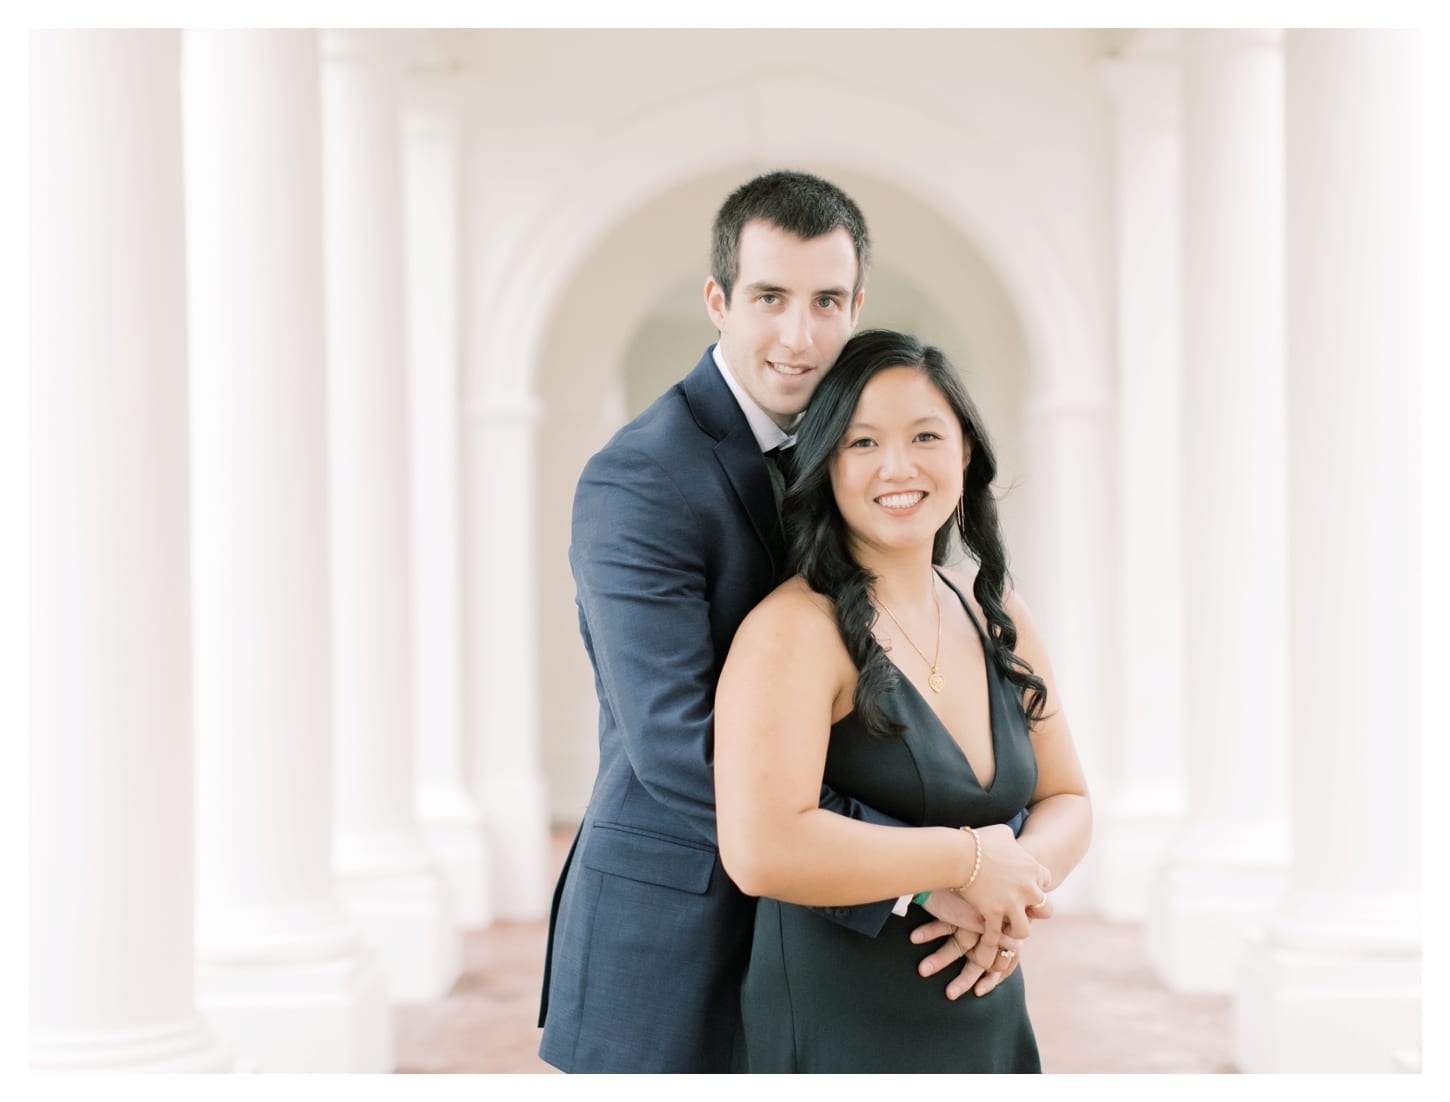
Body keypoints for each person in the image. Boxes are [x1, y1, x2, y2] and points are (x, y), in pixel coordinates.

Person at [538, 173, 1004, 1073]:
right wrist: (920, 868)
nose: (800, 336)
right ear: (719, 301)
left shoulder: (855, 452)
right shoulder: (639, 480)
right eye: (770, 299)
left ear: (858, 303)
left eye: (827, 301)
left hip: (827, 946)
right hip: (679, 931)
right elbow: (677, 743)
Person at [714, 329, 1092, 1073]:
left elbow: (1069, 796)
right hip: (839, 1026)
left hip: (984, 1014)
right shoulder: (793, 629)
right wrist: (968, 860)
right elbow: (761, 849)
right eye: (861, 443)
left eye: (926, 435)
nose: (898, 466)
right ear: (824, 465)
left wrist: (1013, 886)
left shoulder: (995, 613)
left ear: (966, 455)